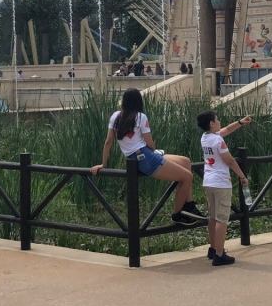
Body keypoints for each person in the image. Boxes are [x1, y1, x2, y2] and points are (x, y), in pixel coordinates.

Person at [90, 89, 204, 225]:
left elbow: (108, 141)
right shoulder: (140, 117)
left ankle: (189, 205)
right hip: (145, 157)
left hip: (138, 157)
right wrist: (154, 153)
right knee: (187, 177)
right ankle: (177, 215)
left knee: (185, 161)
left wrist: (103, 164)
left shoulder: (115, 116)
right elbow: (150, 143)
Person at [197, 110, 252, 266]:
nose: (219, 121)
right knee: (222, 218)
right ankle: (220, 255)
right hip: (221, 182)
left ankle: (213, 248)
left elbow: (226, 130)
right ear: (212, 124)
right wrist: (242, 176)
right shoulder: (218, 141)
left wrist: (240, 122)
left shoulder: (205, 137)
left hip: (208, 181)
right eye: (217, 119)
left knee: (213, 216)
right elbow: (230, 161)